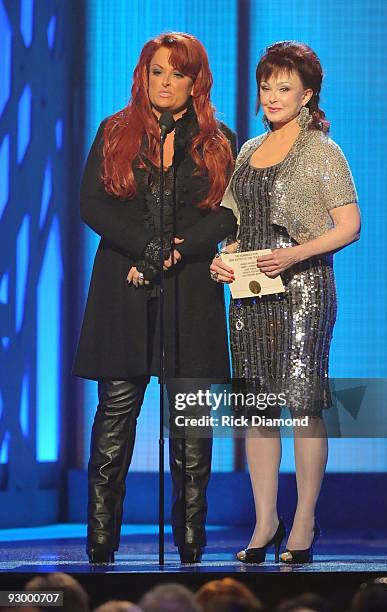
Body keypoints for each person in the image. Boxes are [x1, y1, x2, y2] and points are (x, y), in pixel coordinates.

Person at [73, 32, 237, 564]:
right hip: (122, 288)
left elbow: (228, 214)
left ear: (196, 83)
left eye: (177, 74)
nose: (165, 83)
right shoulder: (115, 131)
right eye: (157, 72)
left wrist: (179, 250)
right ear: (143, 76)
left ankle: (191, 541)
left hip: (189, 293)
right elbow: (92, 205)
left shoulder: (218, 141)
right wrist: (147, 247)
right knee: (116, 414)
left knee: (189, 425)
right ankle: (101, 542)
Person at [210, 41, 360, 564]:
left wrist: (294, 254)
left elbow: (349, 227)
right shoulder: (247, 151)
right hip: (252, 296)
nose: (272, 96)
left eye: (284, 88)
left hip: (304, 292)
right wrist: (223, 259)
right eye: (266, 86)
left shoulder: (323, 151)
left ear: (307, 95)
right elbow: (233, 224)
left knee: (302, 403)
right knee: (257, 408)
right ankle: (264, 521)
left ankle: (304, 521)